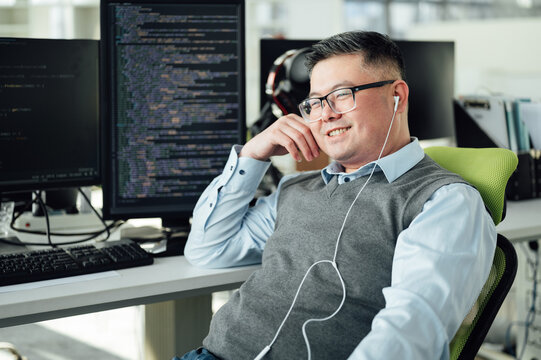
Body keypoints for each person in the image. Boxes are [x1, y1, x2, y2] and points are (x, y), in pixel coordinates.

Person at [179, 31, 496, 360]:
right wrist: (252, 155)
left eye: (342, 95)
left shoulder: (444, 202)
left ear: (397, 96)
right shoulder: (296, 188)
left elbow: (409, 336)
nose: (325, 114)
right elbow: (208, 248)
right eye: (314, 102)